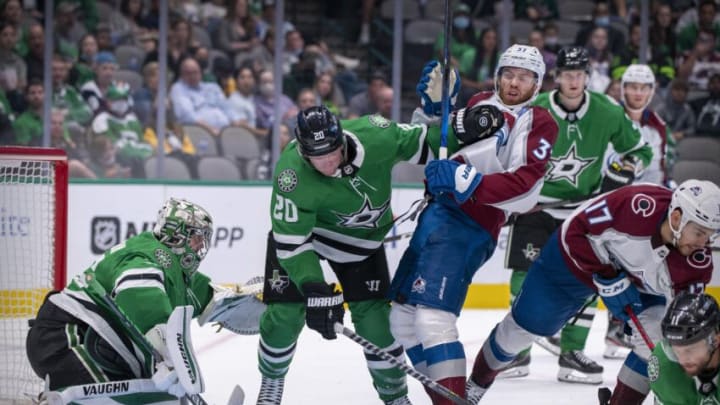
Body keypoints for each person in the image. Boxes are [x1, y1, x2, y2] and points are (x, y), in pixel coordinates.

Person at [255, 98, 497, 404]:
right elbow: (291, 243)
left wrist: (466, 127)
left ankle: (395, 398)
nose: (327, 162)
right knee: (285, 315)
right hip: (306, 242)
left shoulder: (376, 134)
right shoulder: (291, 175)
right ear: (303, 152)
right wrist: (313, 286)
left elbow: (425, 141)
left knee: (378, 327)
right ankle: (271, 383)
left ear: (342, 139)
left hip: (361, 245)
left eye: (331, 151)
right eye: (317, 157)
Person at [388, 44, 559, 404]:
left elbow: (526, 186)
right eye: (508, 74)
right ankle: (450, 399)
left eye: (524, 77)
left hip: (469, 223)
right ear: (497, 75)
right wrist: (435, 115)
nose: (514, 83)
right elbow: (440, 150)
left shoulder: (538, 121)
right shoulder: (479, 101)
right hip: (435, 215)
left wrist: (466, 180)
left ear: (537, 83)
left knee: (433, 319)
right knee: (402, 319)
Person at [466, 179, 720, 404]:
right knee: (520, 330)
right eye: (698, 232)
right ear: (676, 218)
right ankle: (474, 386)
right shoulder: (635, 205)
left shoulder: (696, 264)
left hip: (642, 286)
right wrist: (608, 276)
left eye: (708, 236)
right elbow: (576, 231)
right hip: (573, 262)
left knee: (656, 341)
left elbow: (681, 328)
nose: (702, 244)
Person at [503, 46, 652, 384]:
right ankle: (517, 351)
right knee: (522, 277)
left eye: (579, 74)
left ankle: (572, 353)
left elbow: (640, 149)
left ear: (587, 76)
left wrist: (627, 166)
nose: (573, 80)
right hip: (534, 206)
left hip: (583, 212)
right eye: (568, 74)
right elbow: (506, 147)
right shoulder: (535, 108)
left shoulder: (607, 112)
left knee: (588, 281)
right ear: (557, 77)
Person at [25, 198, 250, 403]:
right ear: (177, 234)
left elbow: (217, 301)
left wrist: (266, 304)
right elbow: (142, 299)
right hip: (66, 338)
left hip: (96, 345)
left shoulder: (180, 275)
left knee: (164, 398)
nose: (201, 246)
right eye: (197, 238)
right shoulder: (147, 256)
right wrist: (167, 358)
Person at [648, 292, 720, 404]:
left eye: (690, 350)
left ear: (715, 340)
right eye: (677, 351)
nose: (683, 360)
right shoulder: (666, 366)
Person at [618, 64, 673, 186]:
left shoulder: (658, 124)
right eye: (633, 87)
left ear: (651, 91)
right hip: (611, 192)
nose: (639, 93)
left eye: (644, 88)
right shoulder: (608, 119)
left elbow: (660, 168)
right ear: (624, 89)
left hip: (648, 193)